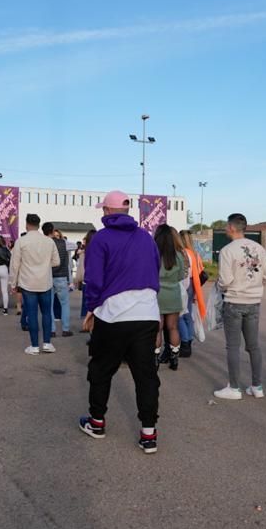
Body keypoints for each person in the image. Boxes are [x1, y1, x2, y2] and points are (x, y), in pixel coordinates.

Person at [78, 191, 163, 454]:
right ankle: (149, 434)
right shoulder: (146, 237)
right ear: (127, 211)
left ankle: (97, 422)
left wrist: (92, 308)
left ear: (106, 211)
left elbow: (94, 278)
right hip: (146, 312)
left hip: (113, 314)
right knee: (146, 375)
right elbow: (155, 269)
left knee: (102, 369)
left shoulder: (101, 238)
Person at [213, 213, 266, 400]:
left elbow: (225, 280)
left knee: (233, 346)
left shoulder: (227, 251)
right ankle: (257, 386)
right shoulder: (258, 248)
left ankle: (234, 387)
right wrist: (254, 285)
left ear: (231, 227)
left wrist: (222, 286)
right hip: (254, 302)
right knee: (253, 346)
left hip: (234, 301)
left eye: (226, 226)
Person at [9, 214, 60, 355]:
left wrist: (13, 283)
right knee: (46, 314)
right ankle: (47, 343)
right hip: (45, 282)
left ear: (27, 224)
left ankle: (34, 346)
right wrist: (44, 264)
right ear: (39, 224)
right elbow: (56, 262)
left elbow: (15, 265)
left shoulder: (21, 241)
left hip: (28, 283)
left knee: (31, 314)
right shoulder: (49, 241)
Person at [154, 225, 189, 371]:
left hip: (157, 294)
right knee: (173, 327)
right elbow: (183, 275)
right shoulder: (179, 255)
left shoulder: (153, 254)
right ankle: (174, 358)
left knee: (157, 329)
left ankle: (155, 358)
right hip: (174, 293)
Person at [176, 230, 207, 358]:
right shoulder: (195, 254)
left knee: (180, 315)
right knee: (188, 314)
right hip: (193, 285)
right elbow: (201, 272)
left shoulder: (182, 253)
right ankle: (188, 341)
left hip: (183, 285)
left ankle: (185, 342)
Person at [45, 223, 74, 337]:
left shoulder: (46, 244)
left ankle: (52, 330)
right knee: (65, 304)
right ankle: (66, 329)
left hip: (48, 276)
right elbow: (68, 262)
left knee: (49, 305)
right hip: (62, 277)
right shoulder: (64, 244)